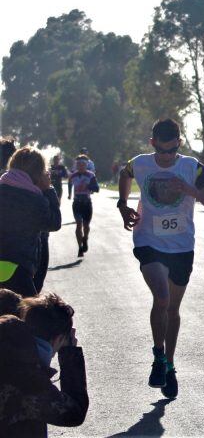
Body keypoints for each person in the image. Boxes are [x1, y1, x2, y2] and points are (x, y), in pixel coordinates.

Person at [118, 118, 204, 399]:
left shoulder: (192, 167)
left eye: (172, 150)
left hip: (181, 248)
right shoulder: (140, 163)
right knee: (162, 298)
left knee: (173, 310)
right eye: (162, 151)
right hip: (148, 241)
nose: (167, 157)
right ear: (152, 143)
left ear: (179, 143)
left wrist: (191, 190)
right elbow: (124, 174)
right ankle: (157, 356)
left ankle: (169, 364)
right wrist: (123, 203)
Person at [0, 292, 88, 437]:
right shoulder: (23, 373)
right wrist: (70, 353)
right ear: (58, 339)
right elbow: (74, 412)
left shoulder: (8, 346)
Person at [0, 147, 61, 297]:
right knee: (31, 316)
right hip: (18, 267)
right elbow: (54, 223)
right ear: (38, 172)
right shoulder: (35, 199)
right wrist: (49, 189)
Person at [68, 155, 99, 258]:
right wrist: (69, 194)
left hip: (87, 203)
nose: (80, 166)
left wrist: (89, 186)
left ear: (86, 165)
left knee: (86, 225)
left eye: (82, 164)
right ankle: (80, 247)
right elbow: (69, 184)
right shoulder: (73, 176)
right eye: (78, 164)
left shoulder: (91, 175)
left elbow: (96, 188)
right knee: (78, 224)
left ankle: (85, 238)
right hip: (77, 203)